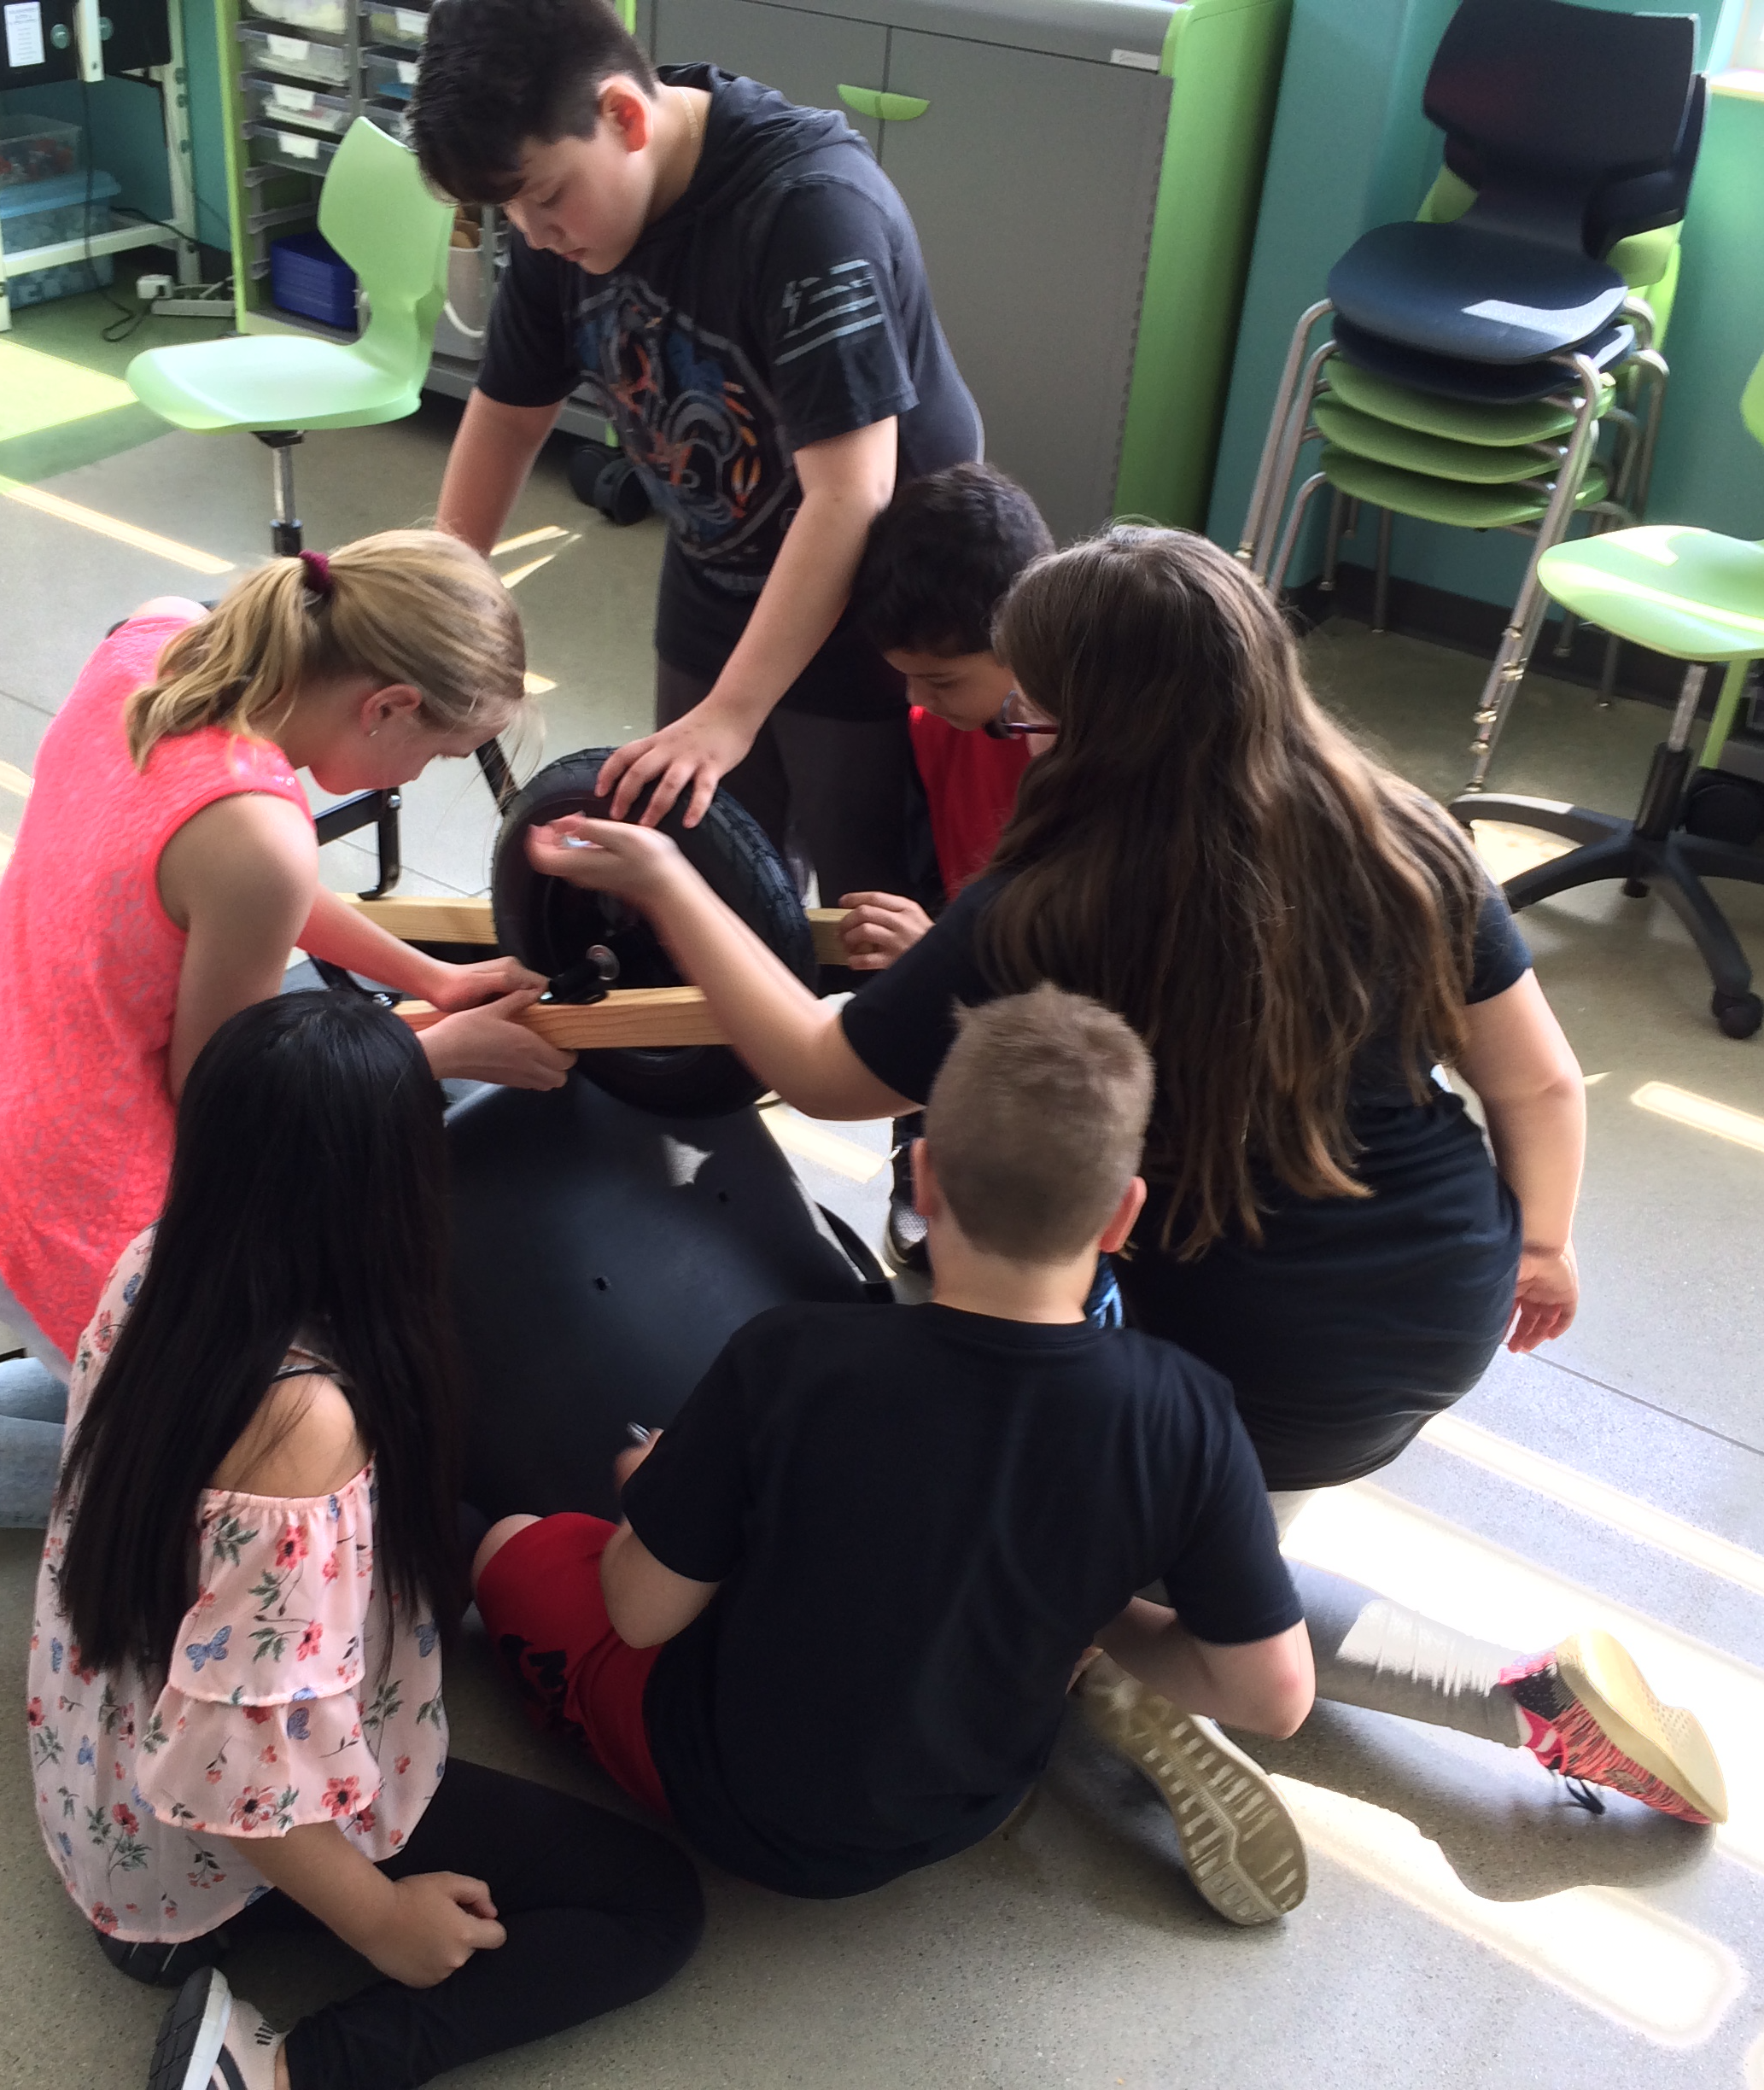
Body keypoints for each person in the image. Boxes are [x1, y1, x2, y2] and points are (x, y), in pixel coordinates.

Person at [516, 524, 1729, 1907]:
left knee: (1062, 1522)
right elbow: (1538, 1078)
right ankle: (1131, 1641)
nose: (1018, 736)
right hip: (1451, 1288)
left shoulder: (1050, 903)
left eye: (1032, 712)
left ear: (1096, 724)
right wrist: (1545, 1242)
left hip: (1258, 1340)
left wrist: (669, 883)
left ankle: (1492, 1688)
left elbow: (815, 1063)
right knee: (1173, 1510)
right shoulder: (1401, 831)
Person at [0, 534, 574, 1630]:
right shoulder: (260, 838)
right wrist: (434, 1048)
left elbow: (226, 879)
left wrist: (427, 974)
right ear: (387, 705)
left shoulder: (157, 642)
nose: (420, 777)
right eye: (441, 751)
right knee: (243, 1472)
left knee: (153, 1373)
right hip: (70, 1209)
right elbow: (232, 1099)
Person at [472, 988, 1317, 1921]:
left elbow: (638, 1615)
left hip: (737, 1806)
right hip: (969, 1805)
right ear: (1122, 1217)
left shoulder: (789, 1358)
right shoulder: (1187, 1413)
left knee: (513, 1543)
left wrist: (651, 1492)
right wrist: (1094, 1607)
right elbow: (1273, 1697)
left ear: (921, 1182)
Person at [32, 990, 703, 2090]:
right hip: (189, 1877)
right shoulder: (306, 1431)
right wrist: (383, 1919)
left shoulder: (162, 1261)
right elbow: (228, 1777)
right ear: (390, 1189)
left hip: (99, 1776)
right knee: (649, 1904)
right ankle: (290, 2072)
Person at [413, 0, 982, 905]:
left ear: (625, 117)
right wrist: (436, 603)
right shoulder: (555, 216)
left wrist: (734, 713)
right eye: (510, 210)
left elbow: (850, 494)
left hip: (874, 601)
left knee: (866, 906)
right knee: (710, 872)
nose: (535, 233)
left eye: (549, 197)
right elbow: (510, 414)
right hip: (716, 571)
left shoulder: (809, 211)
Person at [838, 461, 1054, 1269]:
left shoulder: (1092, 752)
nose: (921, 698)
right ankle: (918, 1162)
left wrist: (944, 954)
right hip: (972, 958)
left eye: (942, 679)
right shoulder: (934, 727)